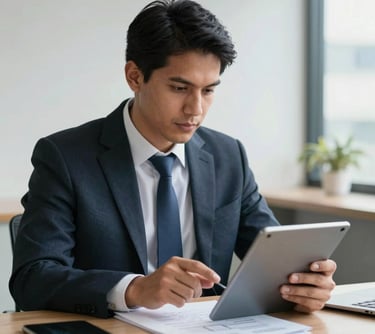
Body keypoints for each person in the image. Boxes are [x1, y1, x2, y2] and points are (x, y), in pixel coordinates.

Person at [9, 0, 336, 319]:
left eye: (208, 90)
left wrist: (305, 285)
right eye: (180, 88)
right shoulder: (65, 157)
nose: (195, 109)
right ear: (135, 77)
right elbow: (32, 278)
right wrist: (134, 289)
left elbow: (273, 258)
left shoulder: (228, 157)